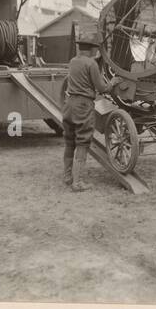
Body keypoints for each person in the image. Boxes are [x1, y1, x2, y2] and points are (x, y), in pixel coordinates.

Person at [61, 33, 111, 192]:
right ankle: (78, 183)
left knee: (69, 141)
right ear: (92, 49)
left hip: (69, 104)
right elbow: (102, 88)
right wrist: (114, 83)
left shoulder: (73, 61)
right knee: (82, 142)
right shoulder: (91, 64)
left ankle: (67, 176)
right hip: (83, 106)